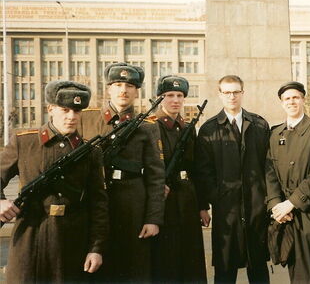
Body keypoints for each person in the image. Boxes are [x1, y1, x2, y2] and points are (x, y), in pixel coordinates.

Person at [0, 80, 108, 284]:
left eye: (77, 111)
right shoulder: (24, 142)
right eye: (65, 109)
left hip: (72, 239)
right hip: (30, 236)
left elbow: (99, 203)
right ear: (50, 109)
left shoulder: (91, 152)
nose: (71, 117)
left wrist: (96, 249)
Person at [77, 62, 165, 283]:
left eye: (129, 86)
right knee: (95, 265)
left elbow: (156, 176)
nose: (123, 90)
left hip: (132, 204)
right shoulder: (86, 118)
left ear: (136, 91)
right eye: (117, 84)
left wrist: (153, 218)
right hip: (94, 202)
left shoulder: (148, 126)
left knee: (134, 267)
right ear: (108, 88)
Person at [196, 75, 270, 284]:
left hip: (256, 207)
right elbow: (203, 172)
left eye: (236, 92)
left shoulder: (259, 124)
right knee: (225, 269)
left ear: (242, 93)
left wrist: (267, 199)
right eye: (227, 92)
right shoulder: (209, 129)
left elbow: (268, 166)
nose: (232, 96)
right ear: (220, 94)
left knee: (258, 268)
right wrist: (214, 199)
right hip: (226, 210)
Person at [266, 81, 310, 284]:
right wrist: (276, 205)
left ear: (303, 99)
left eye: (296, 97)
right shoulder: (275, 134)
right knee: (296, 276)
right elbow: (270, 173)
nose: (291, 102)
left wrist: (291, 202)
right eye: (287, 99)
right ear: (281, 103)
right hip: (286, 217)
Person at [149, 75, 208, 283]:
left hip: (187, 200)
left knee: (190, 261)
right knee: (167, 261)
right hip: (164, 202)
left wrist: (202, 206)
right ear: (159, 98)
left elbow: (196, 169)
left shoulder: (187, 129)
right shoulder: (151, 127)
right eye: (170, 95)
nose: (175, 100)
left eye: (180, 95)